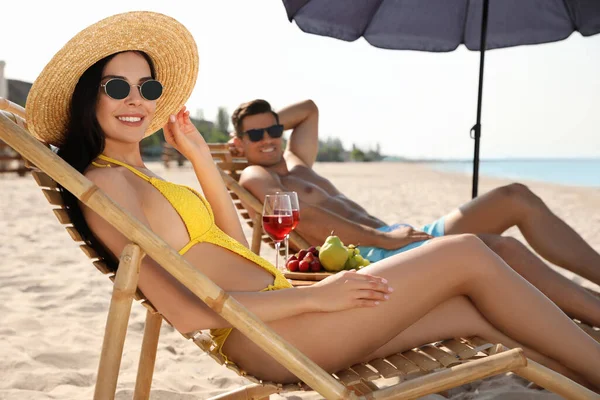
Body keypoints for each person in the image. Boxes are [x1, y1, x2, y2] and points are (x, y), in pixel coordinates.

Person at [26, 12, 600, 391]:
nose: (137, 100)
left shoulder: (140, 175)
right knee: (470, 252)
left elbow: (225, 248)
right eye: (117, 87)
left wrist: (202, 159)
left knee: (480, 299)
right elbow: (190, 313)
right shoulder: (106, 189)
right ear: (86, 98)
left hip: (282, 314)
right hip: (274, 336)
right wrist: (321, 297)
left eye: (148, 87)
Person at [229, 99, 600, 327]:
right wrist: (381, 238)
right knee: (499, 248)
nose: (268, 139)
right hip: (375, 255)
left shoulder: (297, 162)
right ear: (240, 143)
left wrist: (263, 121)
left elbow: (309, 109)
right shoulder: (255, 174)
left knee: (514, 195)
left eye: (273, 129)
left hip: (401, 238)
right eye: (255, 135)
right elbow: (301, 217)